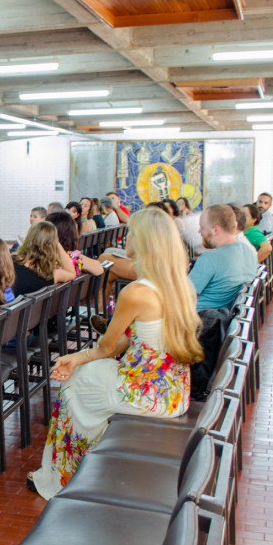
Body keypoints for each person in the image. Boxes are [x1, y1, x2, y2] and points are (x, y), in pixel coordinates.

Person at [29, 208, 203, 499]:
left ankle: (61, 478)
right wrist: (78, 358)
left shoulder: (136, 292)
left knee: (71, 384)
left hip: (145, 393)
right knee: (81, 372)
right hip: (173, 390)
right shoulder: (181, 284)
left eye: (132, 232)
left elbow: (109, 347)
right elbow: (127, 342)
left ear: (145, 241)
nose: (127, 236)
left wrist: (76, 359)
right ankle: (74, 468)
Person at [189, 204, 259, 310]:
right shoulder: (249, 252)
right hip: (221, 320)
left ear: (215, 230)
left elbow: (182, 297)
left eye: (202, 228)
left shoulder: (210, 259)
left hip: (197, 321)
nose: (199, 232)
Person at [11, 221, 77, 296]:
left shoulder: (10, 262)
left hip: (10, 307)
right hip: (35, 307)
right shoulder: (51, 275)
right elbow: (71, 273)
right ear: (52, 245)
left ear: (29, 237)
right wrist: (56, 243)